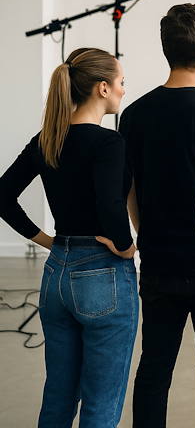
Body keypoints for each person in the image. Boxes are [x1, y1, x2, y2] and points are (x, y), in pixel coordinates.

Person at [0, 48, 138, 426]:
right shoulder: (108, 143)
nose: (125, 91)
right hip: (103, 277)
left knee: (59, 397)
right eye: (122, 83)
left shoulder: (47, 139)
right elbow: (111, 206)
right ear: (103, 88)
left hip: (55, 275)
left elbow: (2, 194)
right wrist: (127, 247)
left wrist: (46, 241)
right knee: (100, 404)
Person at [118, 3, 195, 428]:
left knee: (154, 371)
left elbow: (131, 190)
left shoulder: (132, 115)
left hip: (157, 267)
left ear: (167, 49)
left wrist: (146, 231)